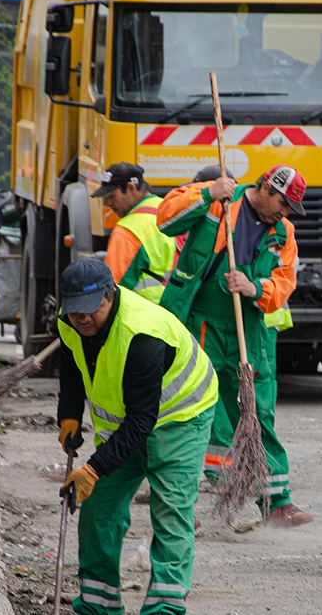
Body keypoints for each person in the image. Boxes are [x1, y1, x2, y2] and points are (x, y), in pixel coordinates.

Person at [55, 258, 217, 615]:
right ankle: (98, 604)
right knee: (99, 509)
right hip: (129, 423)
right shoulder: (70, 322)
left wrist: (94, 469)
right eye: (74, 311)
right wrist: (68, 415)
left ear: (110, 296)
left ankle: (164, 607)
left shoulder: (143, 335)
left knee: (171, 511)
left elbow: (143, 419)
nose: (82, 319)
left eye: (90, 309)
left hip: (180, 416)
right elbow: (71, 365)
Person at [156, 165, 312, 526]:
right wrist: (207, 193)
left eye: (290, 208)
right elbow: (166, 220)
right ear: (264, 188)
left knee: (259, 413)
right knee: (196, 411)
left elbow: (283, 284)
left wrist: (255, 288)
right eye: (282, 203)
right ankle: (189, 502)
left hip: (248, 328)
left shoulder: (283, 232)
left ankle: (277, 502)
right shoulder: (219, 202)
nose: (284, 213)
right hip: (201, 325)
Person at [93, 162, 176, 302]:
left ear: (130, 188)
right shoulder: (171, 210)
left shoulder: (127, 231)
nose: (108, 203)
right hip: (179, 312)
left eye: (112, 196)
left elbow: (112, 289)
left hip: (145, 316)